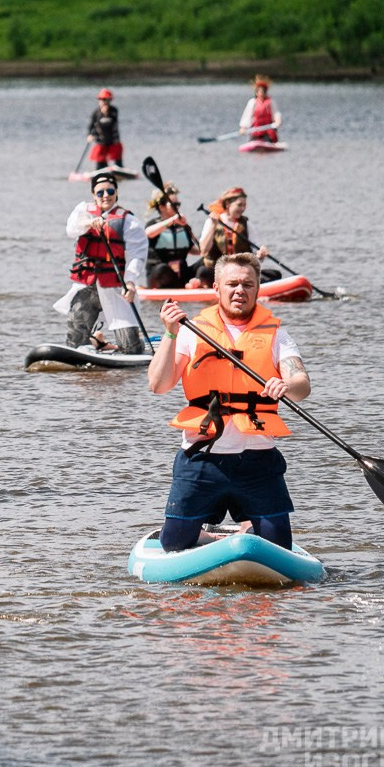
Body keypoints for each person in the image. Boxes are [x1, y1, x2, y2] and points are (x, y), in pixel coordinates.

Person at [147, 253, 311, 552]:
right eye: (232, 283)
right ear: (216, 288)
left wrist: (286, 385)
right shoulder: (189, 332)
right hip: (202, 456)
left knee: (279, 545)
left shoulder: (277, 336)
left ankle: (250, 524)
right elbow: (158, 385)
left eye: (248, 284)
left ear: (258, 289)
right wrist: (170, 333)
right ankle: (212, 536)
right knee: (173, 543)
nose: (240, 290)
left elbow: (302, 386)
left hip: (258, 459)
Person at [55, 170, 147, 353]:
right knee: (75, 339)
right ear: (93, 195)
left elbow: (137, 255)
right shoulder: (83, 211)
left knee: (130, 349)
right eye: (100, 192)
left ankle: (132, 343)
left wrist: (130, 283)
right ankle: (92, 342)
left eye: (110, 191)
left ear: (116, 193)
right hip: (88, 285)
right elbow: (71, 229)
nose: (106, 196)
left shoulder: (129, 221)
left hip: (115, 286)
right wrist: (89, 223)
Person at [191, 186, 281, 287]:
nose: (243, 209)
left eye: (244, 205)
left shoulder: (247, 224)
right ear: (228, 204)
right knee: (203, 272)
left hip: (240, 272)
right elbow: (203, 250)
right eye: (239, 205)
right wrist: (213, 225)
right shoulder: (211, 222)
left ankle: (246, 285)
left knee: (275, 274)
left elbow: (255, 254)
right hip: (218, 272)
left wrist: (260, 255)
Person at [144, 183, 198, 289]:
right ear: (161, 206)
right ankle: (185, 286)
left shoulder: (183, 226)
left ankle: (193, 284)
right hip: (160, 274)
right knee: (163, 269)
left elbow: (193, 250)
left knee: (206, 264)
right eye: (174, 205)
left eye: (178, 204)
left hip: (181, 273)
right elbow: (148, 233)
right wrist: (172, 220)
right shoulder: (153, 224)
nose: (177, 207)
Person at [86, 88, 122, 171]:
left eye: (106, 100)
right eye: (101, 99)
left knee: (118, 163)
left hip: (114, 142)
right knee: (100, 165)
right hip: (101, 143)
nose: (104, 101)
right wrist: (89, 135)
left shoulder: (114, 111)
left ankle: (119, 177)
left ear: (110, 100)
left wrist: (106, 113)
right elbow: (91, 126)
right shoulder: (96, 113)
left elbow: (114, 119)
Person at [240, 75, 281, 143]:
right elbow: (247, 116)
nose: (261, 93)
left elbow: (276, 113)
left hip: (268, 130)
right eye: (259, 91)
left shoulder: (271, 102)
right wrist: (243, 128)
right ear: (256, 92)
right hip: (256, 130)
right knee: (253, 141)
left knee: (268, 139)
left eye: (263, 92)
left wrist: (277, 121)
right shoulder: (252, 102)